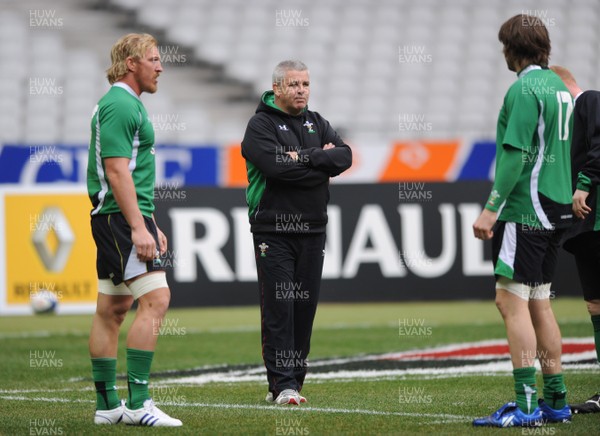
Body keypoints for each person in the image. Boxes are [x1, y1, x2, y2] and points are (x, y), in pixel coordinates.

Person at [472, 14, 573, 427]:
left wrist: (491, 207)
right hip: (557, 207)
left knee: (510, 301)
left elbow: (515, 156)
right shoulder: (559, 86)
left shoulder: (523, 89)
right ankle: (556, 400)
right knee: (540, 303)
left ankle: (527, 406)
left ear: (511, 48)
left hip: (525, 209)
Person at [241, 60, 352, 405]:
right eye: (293, 84)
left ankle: (294, 384)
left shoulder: (316, 121)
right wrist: (319, 160)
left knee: (304, 309)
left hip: (314, 229)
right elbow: (275, 167)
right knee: (280, 307)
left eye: (305, 83)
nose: (301, 90)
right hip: (273, 230)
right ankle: (283, 384)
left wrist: (301, 158)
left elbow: (345, 157)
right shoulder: (260, 125)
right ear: (277, 89)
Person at [87, 33, 181, 426]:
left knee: (112, 309)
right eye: (154, 59)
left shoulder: (126, 104)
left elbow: (131, 176)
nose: (161, 67)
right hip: (119, 221)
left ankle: (108, 407)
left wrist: (150, 222)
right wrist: (138, 228)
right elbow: (116, 171)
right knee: (157, 299)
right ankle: (140, 403)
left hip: (118, 218)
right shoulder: (121, 105)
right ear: (132, 63)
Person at [550, 65, 600, 414]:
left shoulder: (590, 101)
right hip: (585, 229)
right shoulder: (563, 127)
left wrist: (584, 183)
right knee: (595, 305)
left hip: (598, 220)